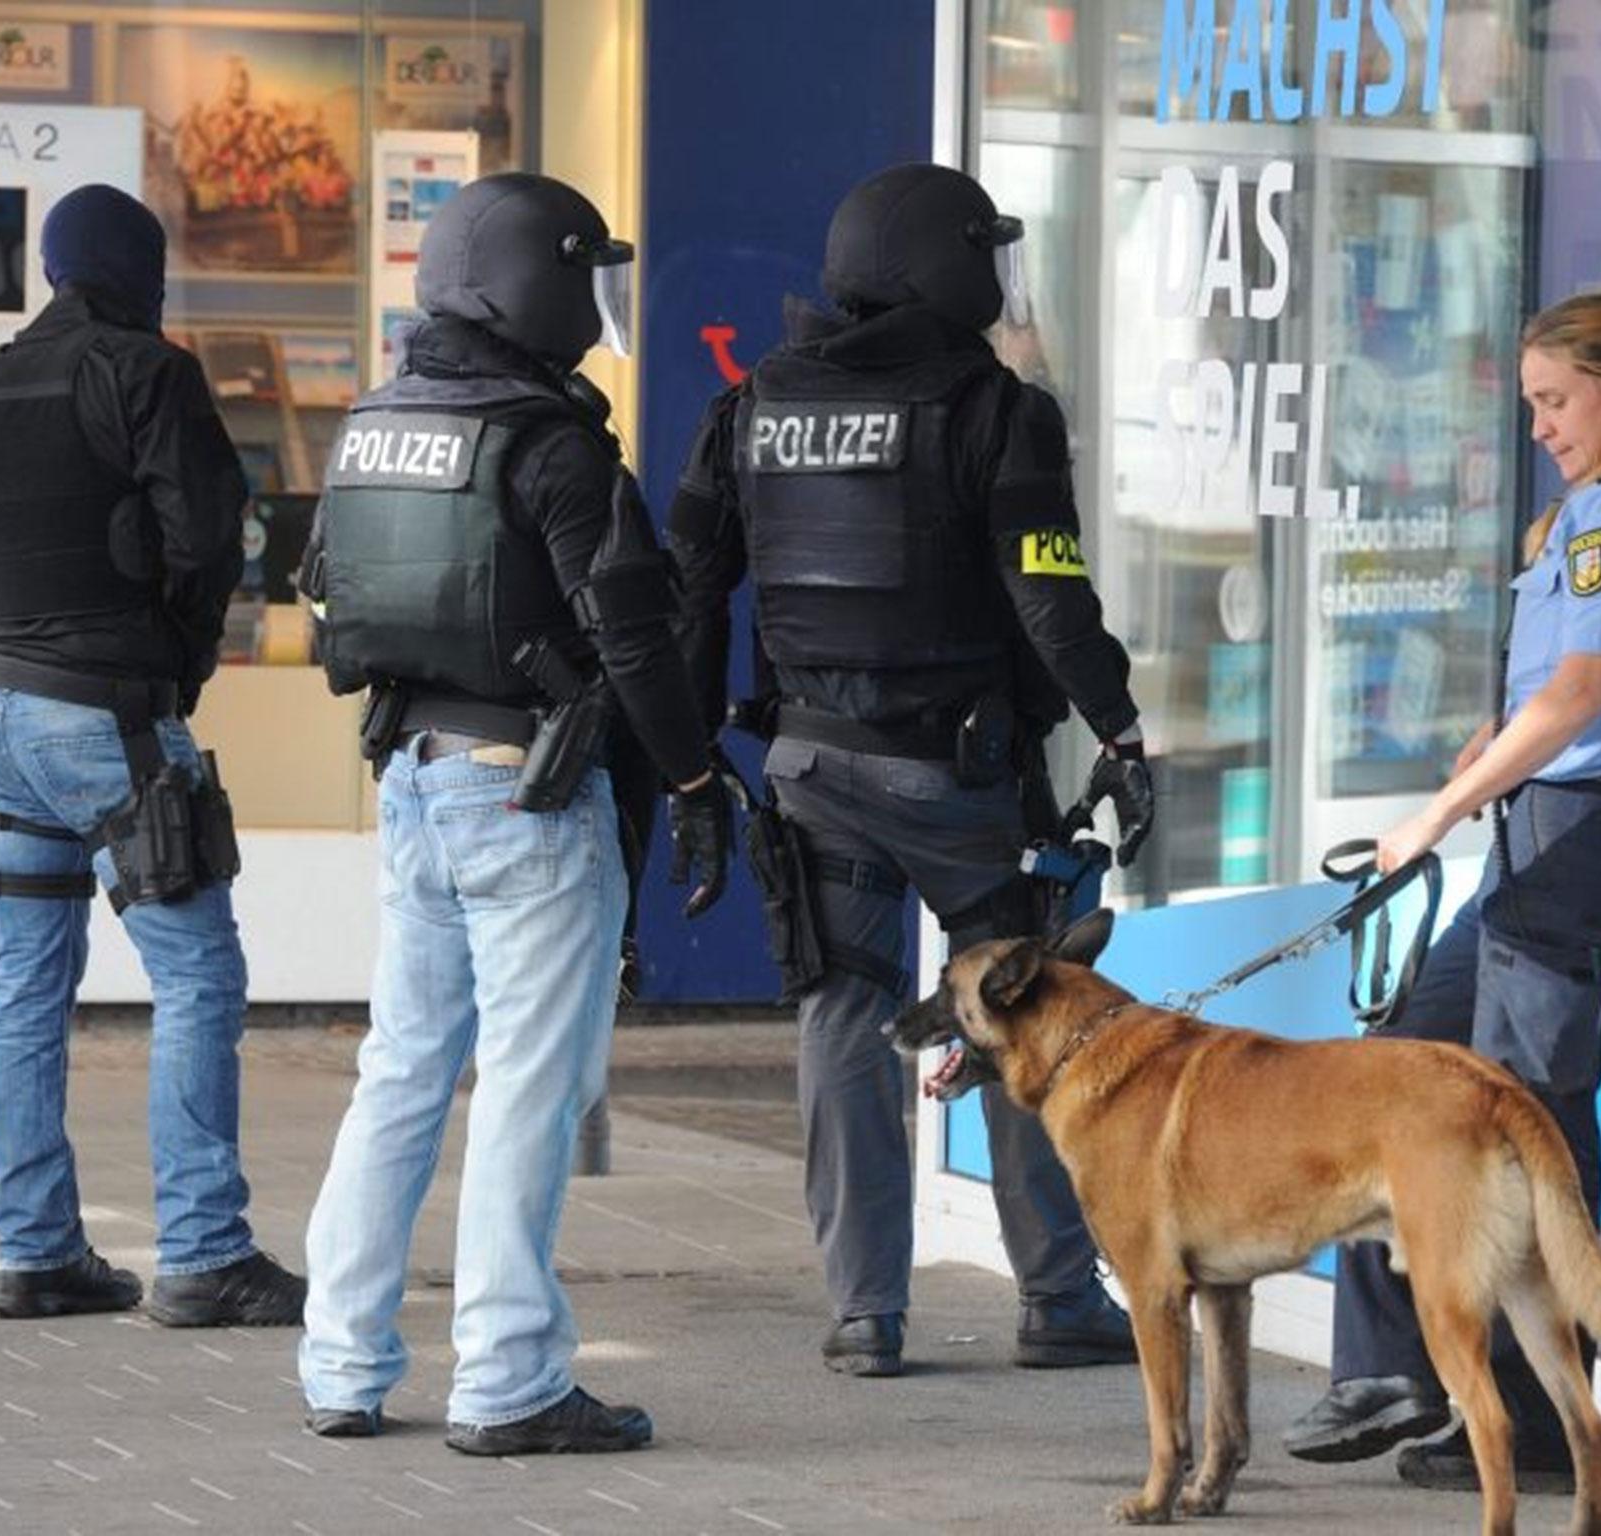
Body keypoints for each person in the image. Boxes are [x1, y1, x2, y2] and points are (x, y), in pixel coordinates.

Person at [670, 162, 1154, 1378]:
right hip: (955, 773)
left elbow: (689, 583)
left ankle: (862, 1313)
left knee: (840, 1014)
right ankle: (1055, 1296)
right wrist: (1119, 729)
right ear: (948, 267)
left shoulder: (752, 406)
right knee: (1018, 1013)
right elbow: (1048, 595)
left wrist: (682, 769)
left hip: (809, 764)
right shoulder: (997, 409)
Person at [295, 173, 731, 1453]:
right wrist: (696, 782)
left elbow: (327, 596)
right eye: (585, 278)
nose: (599, 311)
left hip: (414, 779)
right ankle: (509, 1379)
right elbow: (637, 641)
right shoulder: (552, 442)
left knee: (401, 1074)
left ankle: (340, 1364)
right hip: (527, 793)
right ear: (536, 282)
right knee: (529, 1092)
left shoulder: (375, 420)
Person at [1282, 291, 1601, 1490]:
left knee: (1523, 1118)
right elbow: (1550, 690)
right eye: (1528, 403)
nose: (1537, 425)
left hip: (1590, 836)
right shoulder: (1596, 509)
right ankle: (1392, 1370)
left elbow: (1584, 697)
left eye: (1552, 400)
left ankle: (1537, 1425)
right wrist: (1485, 760)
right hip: (1549, 835)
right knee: (1407, 1070)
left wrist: (1434, 814)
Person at [0, 184, 305, 1328]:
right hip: (112, 722)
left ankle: (36, 1253)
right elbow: (206, 537)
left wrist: (19, 641)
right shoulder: (151, 371)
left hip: (0, 721)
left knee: (26, 985)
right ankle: (203, 1253)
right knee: (197, 976)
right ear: (140, 269)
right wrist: (166, 659)